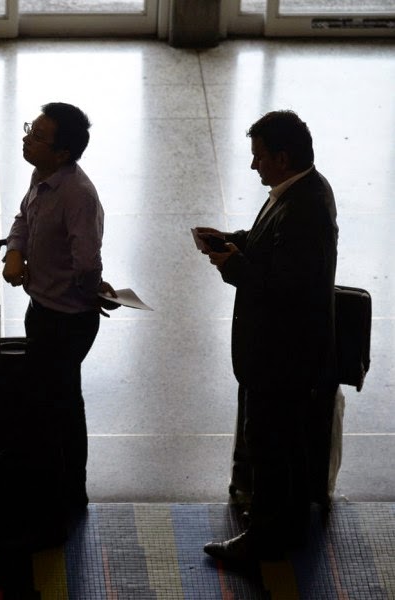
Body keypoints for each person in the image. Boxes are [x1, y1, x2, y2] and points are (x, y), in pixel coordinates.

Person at [196, 110, 338, 563]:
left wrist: (232, 265)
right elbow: (271, 245)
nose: (253, 166)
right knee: (282, 443)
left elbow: (285, 285)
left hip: (283, 357)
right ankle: (285, 524)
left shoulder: (303, 209)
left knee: (272, 446)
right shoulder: (298, 191)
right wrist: (232, 238)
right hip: (283, 353)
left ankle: (266, 536)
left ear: (282, 157)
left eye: (259, 157)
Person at [2, 102, 115, 510]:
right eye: (30, 128)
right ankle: (50, 479)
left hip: (68, 321)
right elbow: (23, 218)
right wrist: (15, 251)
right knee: (51, 399)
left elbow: (87, 262)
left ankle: (70, 492)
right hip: (43, 310)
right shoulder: (43, 175)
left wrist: (92, 293)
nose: (27, 138)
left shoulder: (78, 196)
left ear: (63, 153)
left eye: (37, 135)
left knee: (64, 403)